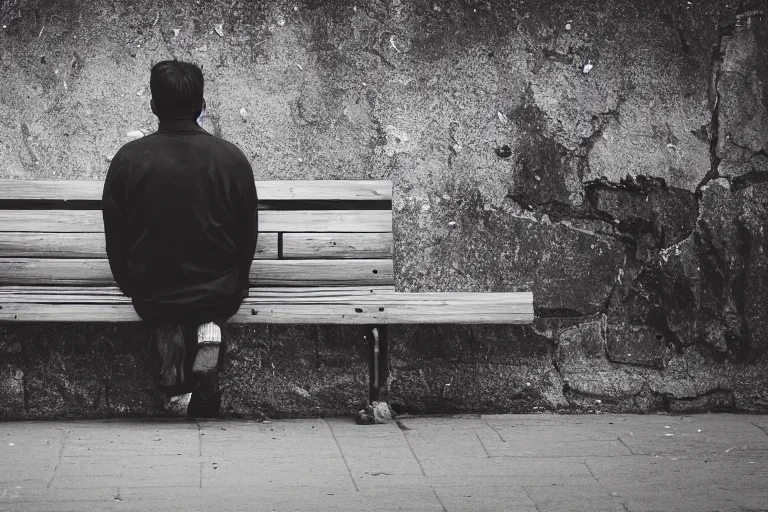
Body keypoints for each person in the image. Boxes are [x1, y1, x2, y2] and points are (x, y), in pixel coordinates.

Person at [101, 59, 258, 417]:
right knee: (213, 306)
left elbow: (115, 232)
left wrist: (128, 282)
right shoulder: (230, 159)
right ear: (202, 105)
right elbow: (248, 231)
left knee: (163, 309)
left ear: (154, 106)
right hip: (218, 292)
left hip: (151, 294)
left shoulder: (128, 160)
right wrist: (241, 281)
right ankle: (208, 329)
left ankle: (169, 332)